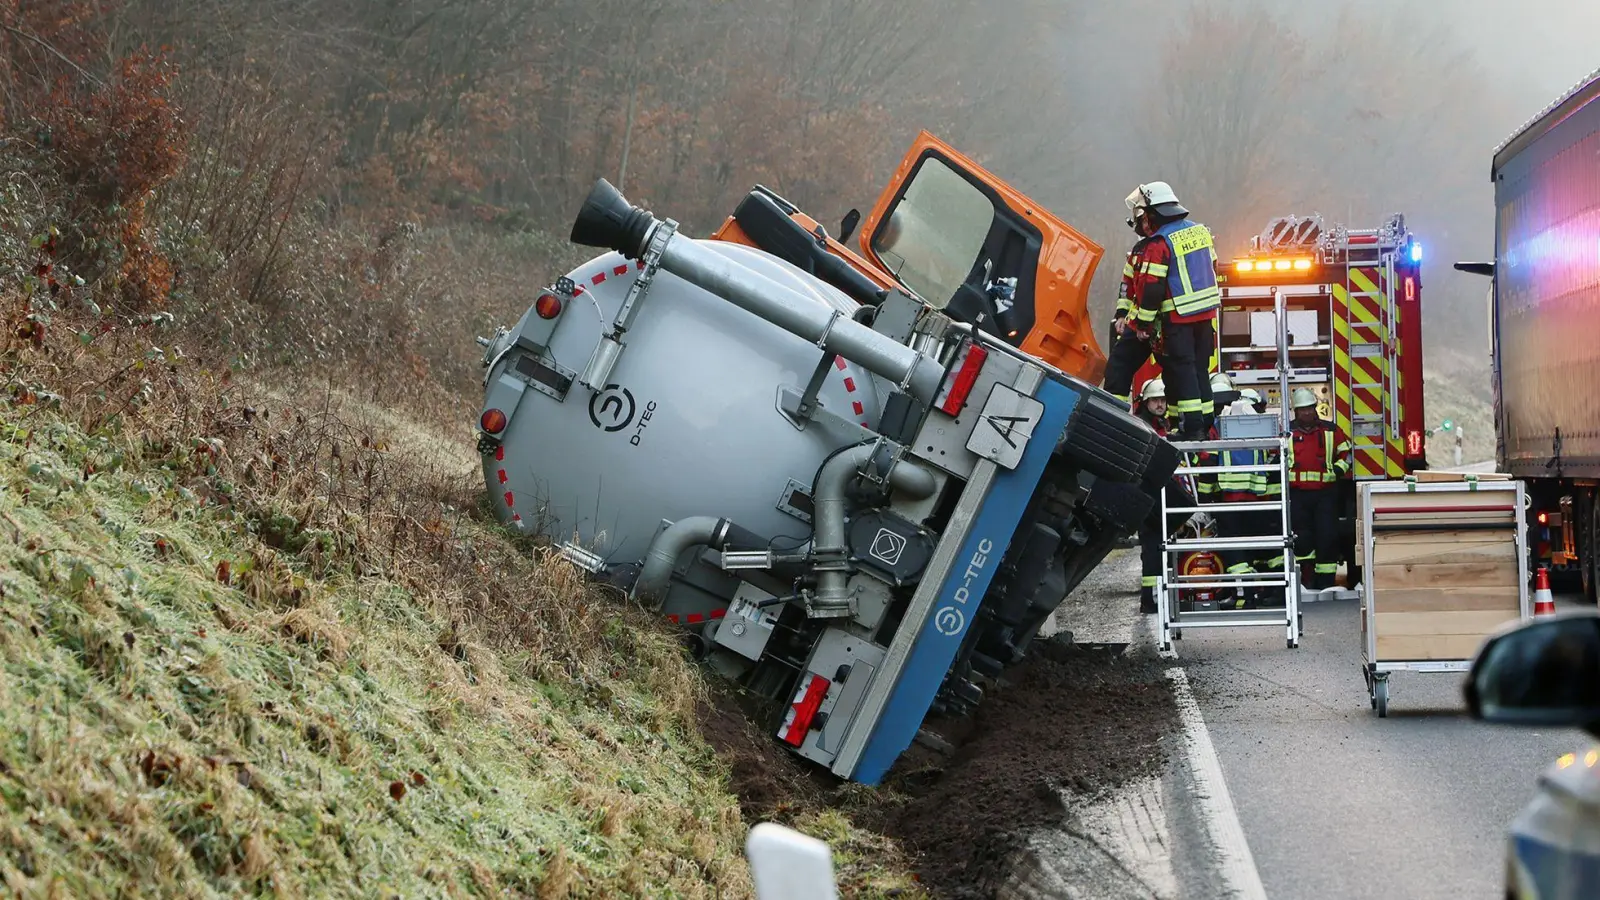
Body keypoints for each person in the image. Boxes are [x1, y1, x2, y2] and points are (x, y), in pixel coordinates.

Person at [1101, 182, 1222, 440]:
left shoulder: (1157, 244)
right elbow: (1211, 268)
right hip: (1202, 318)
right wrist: (1122, 314)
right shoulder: (1200, 233)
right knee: (1192, 370)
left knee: (1124, 366)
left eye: (1142, 216)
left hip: (1168, 320)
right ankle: (1197, 425)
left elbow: (1151, 290)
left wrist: (1142, 326)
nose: (1139, 222)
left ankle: (1115, 421)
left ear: (1153, 213)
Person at [1287, 388, 1352, 591]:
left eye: (1309, 409)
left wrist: (1337, 472)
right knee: (1302, 538)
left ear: (1315, 409)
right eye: (1302, 410)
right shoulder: (1286, 433)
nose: (1306, 413)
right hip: (1297, 495)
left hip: (1326, 494)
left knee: (1327, 537)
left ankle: (1326, 582)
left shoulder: (1331, 430)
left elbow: (1347, 455)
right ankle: (1306, 580)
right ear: (1295, 412)